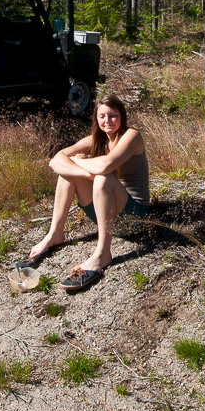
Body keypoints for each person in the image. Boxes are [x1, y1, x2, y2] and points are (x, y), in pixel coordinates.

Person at [20, 93, 149, 291]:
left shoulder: (131, 136)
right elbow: (55, 161)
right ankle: (55, 234)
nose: (108, 121)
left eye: (113, 115)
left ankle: (103, 253)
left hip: (134, 217)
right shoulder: (95, 140)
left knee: (103, 177)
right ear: (96, 118)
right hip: (105, 213)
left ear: (122, 116)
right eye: (102, 116)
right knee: (69, 175)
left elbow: (106, 164)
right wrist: (83, 171)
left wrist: (74, 162)